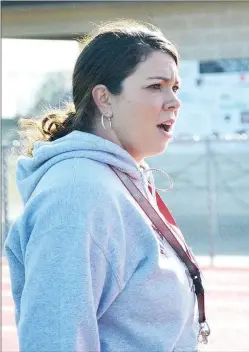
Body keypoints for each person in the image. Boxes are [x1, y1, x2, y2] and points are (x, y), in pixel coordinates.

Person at [4, 20, 209, 351]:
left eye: (175, 88)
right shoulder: (77, 194)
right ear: (104, 99)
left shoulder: (115, 178)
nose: (174, 101)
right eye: (156, 86)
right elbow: (56, 340)